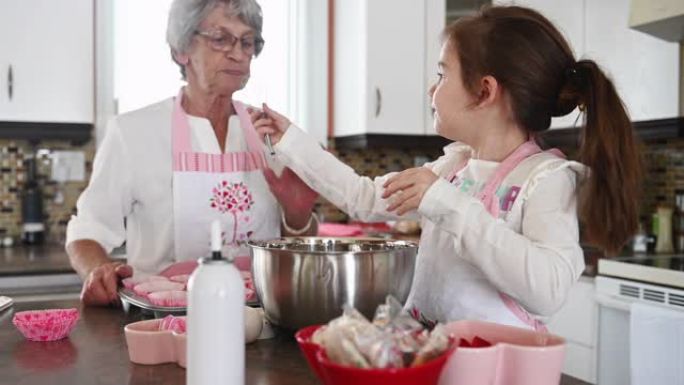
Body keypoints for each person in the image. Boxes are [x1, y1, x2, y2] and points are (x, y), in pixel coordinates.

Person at [252, 5, 641, 329]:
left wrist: (448, 203)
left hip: (494, 366)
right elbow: (363, 196)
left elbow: (549, 289)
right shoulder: (453, 166)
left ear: (484, 91)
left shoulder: (545, 179)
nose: (430, 89)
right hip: (434, 351)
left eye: (441, 74)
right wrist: (291, 141)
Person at [66, 0, 318, 306]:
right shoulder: (132, 132)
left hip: (262, 317)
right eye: (220, 38)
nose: (238, 54)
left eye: (248, 41)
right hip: (165, 321)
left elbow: (295, 245)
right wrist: (97, 271)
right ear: (181, 49)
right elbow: (88, 230)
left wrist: (298, 216)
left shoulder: (271, 134)